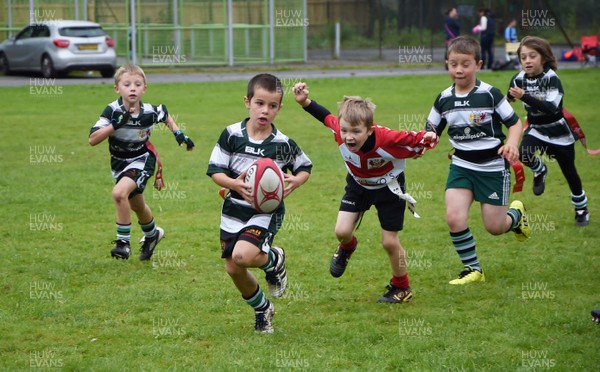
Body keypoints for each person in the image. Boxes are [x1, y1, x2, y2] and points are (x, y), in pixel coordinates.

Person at [293, 82, 438, 303]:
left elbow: (413, 138)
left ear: (369, 129)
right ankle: (348, 247)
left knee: (390, 242)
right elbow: (325, 117)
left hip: (390, 188)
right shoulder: (339, 131)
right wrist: (304, 102)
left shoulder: (387, 139)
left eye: (356, 131)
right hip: (358, 185)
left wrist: (427, 139)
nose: (348, 137)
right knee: (341, 231)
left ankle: (401, 287)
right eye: (344, 130)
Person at [207, 73, 312, 333]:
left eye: (272, 106)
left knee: (243, 255)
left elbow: (305, 167)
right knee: (233, 268)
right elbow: (215, 171)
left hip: (265, 212)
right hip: (233, 210)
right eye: (259, 103)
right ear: (247, 102)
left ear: (279, 108)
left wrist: (295, 182)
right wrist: (234, 184)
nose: (265, 110)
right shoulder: (231, 135)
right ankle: (262, 309)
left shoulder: (282, 144)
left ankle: (273, 259)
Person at [425, 36, 530, 285]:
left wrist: (512, 144)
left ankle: (516, 214)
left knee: (495, 227)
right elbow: (431, 129)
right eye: (453, 64)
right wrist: (426, 138)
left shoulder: (489, 94)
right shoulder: (443, 99)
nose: (459, 70)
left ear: (478, 65)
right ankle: (473, 269)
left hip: (493, 168)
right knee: (454, 218)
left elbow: (515, 124)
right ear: (447, 65)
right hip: (461, 166)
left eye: (465, 64)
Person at [89, 64, 195, 260]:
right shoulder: (112, 110)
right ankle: (153, 234)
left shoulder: (148, 111)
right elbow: (92, 140)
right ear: (117, 88)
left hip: (142, 159)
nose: (132, 88)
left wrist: (179, 134)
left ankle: (123, 243)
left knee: (119, 193)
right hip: (119, 163)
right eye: (127, 84)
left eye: (138, 84)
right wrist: (114, 124)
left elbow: (164, 113)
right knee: (136, 205)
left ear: (144, 88)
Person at [508, 36, 590, 226]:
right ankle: (540, 170)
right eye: (523, 57)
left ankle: (581, 209)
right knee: (525, 154)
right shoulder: (519, 77)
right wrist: (509, 96)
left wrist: (524, 97)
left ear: (543, 58)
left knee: (570, 173)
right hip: (536, 128)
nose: (527, 61)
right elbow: (512, 93)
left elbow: (551, 107)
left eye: (532, 56)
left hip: (559, 132)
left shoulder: (552, 79)